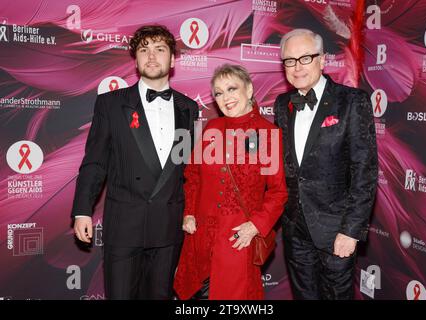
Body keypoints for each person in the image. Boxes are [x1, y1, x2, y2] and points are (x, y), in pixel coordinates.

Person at [71, 25, 198, 299]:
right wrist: (82, 209)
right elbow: (95, 162)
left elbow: (188, 168)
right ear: (136, 59)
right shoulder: (111, 104)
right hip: (124, 227)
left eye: (160, 49)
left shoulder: (189, 108)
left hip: (167, 227)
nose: (151, 57)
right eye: (144, 50)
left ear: (173, 59)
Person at [274, 29, 378, 300]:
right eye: (289, 61)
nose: (297, 67)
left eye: (305, 58)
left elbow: (364, 171)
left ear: (322, 60)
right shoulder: (282, 104)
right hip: (295, 229)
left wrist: (351, 231)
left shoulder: (352, 101)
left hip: (336, 230)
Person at [174, 64, 287, 300]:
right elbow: (193, 174)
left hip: (237, 239)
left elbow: (278, 192)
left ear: (249, 89)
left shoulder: (267, 134)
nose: (225, 97)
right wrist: (189, 212)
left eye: (231, 88)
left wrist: (256, 225)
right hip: (201, 236)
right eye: (218, 92)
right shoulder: (212, 128)